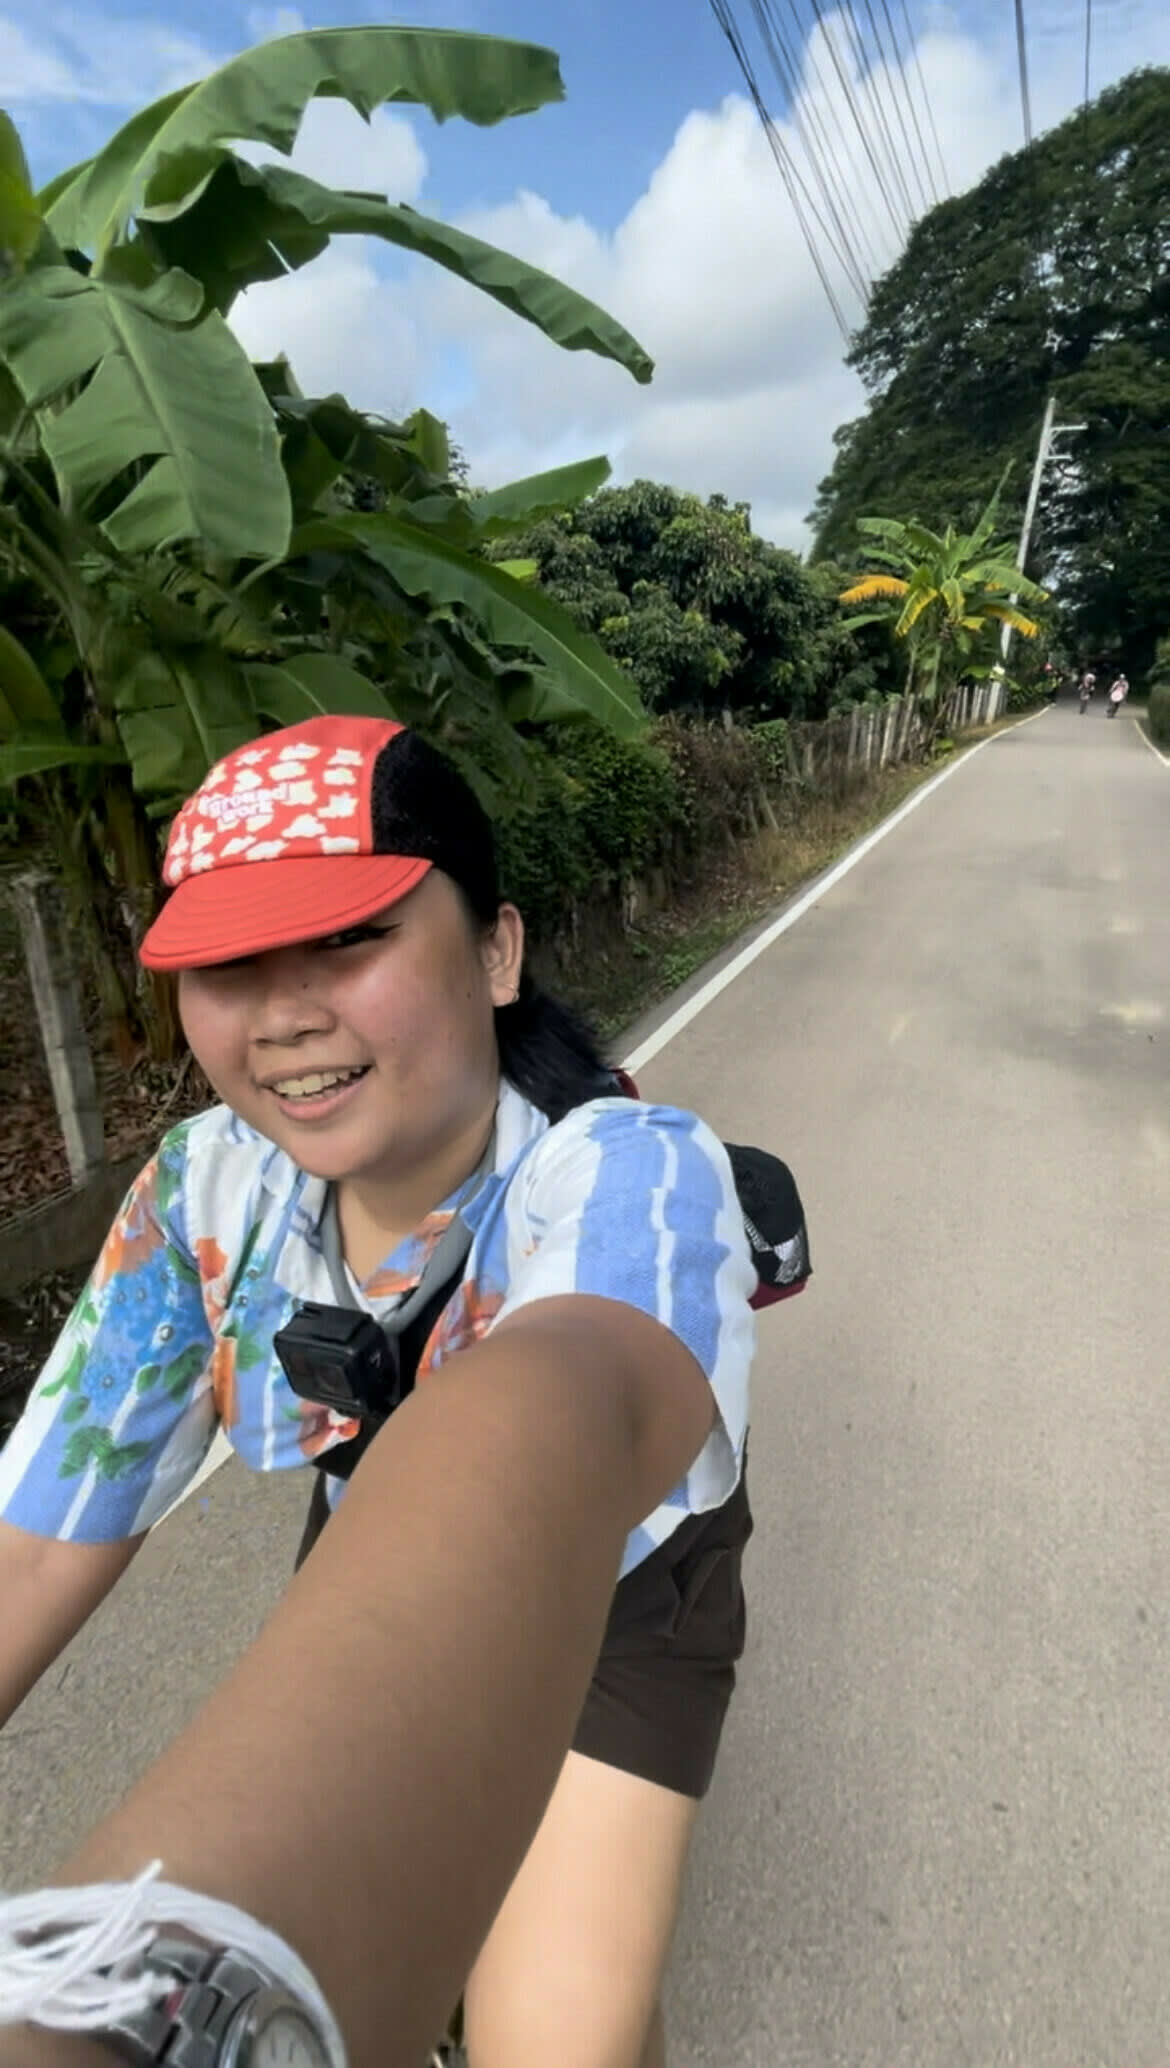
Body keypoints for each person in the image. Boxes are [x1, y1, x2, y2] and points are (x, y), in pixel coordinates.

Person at [0, 716, 757, 2068]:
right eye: (226, 963)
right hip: (383, 1537)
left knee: (556, 2040)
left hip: (625, 1587)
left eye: (348, 940)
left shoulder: (633, 1167)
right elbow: (43, 1537)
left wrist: (174, 1993)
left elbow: (560, 1404)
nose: (284, 1014)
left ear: (497, 950)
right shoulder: (200, 1194)